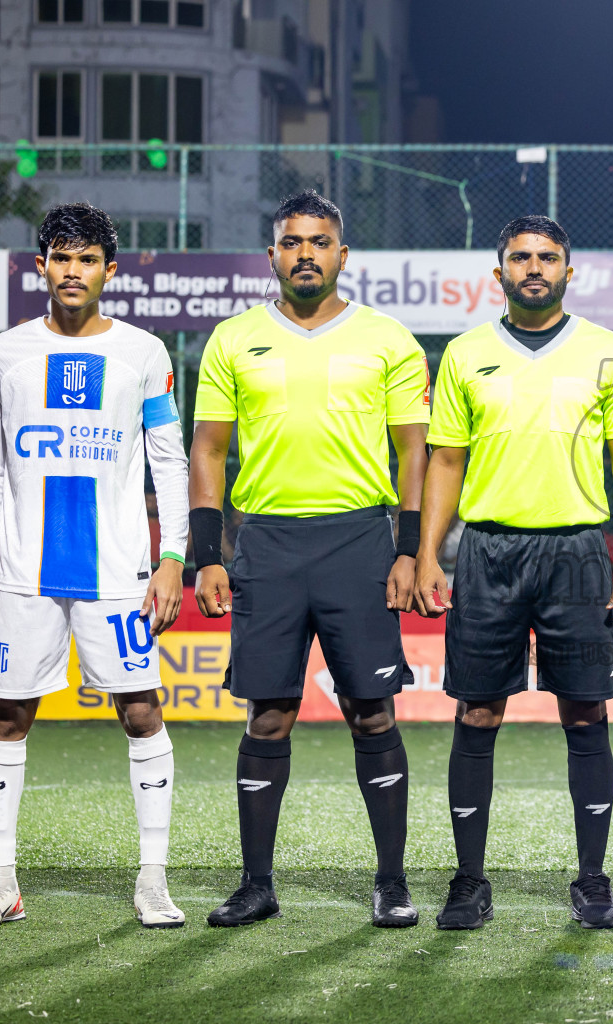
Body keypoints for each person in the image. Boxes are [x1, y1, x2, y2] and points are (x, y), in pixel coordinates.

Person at [190, 190, 430, 928]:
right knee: (269, 716)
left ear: (341, 254)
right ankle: (256, 884)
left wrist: (409, 549)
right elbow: (208, 450)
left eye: (319, 241)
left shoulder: (389, 338)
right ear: (272, 255)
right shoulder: (233, 339)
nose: (305, 253)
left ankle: (391, 883)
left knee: (371, 711)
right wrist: (208, 555)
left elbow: (414, 451)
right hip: (265, 544)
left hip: (359, 542)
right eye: (291, 242)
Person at [0, 202, 190, 929]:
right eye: (61, 256)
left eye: (88, 259)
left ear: (109, 271)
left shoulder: (145, 353)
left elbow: (169, 464)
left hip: (117, 573)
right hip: (23, 570)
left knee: (141, 711)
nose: (73, 270)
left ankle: (153, 879)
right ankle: (2, 884)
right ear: (41, 267)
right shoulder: (3, 353)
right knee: (11, 715)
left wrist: (174, 557)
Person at [414, 215, 613, 931]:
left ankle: (593, 880)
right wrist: (426, 552)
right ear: (499, 273)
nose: (535, 268)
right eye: (521, 257)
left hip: (578, 552)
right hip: (488, 552)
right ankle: (468, 880)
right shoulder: (463, 353)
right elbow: (445, 460)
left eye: (549, 257)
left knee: (585, 712)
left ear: (569, 271)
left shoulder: (609, 351)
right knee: (477, 711)